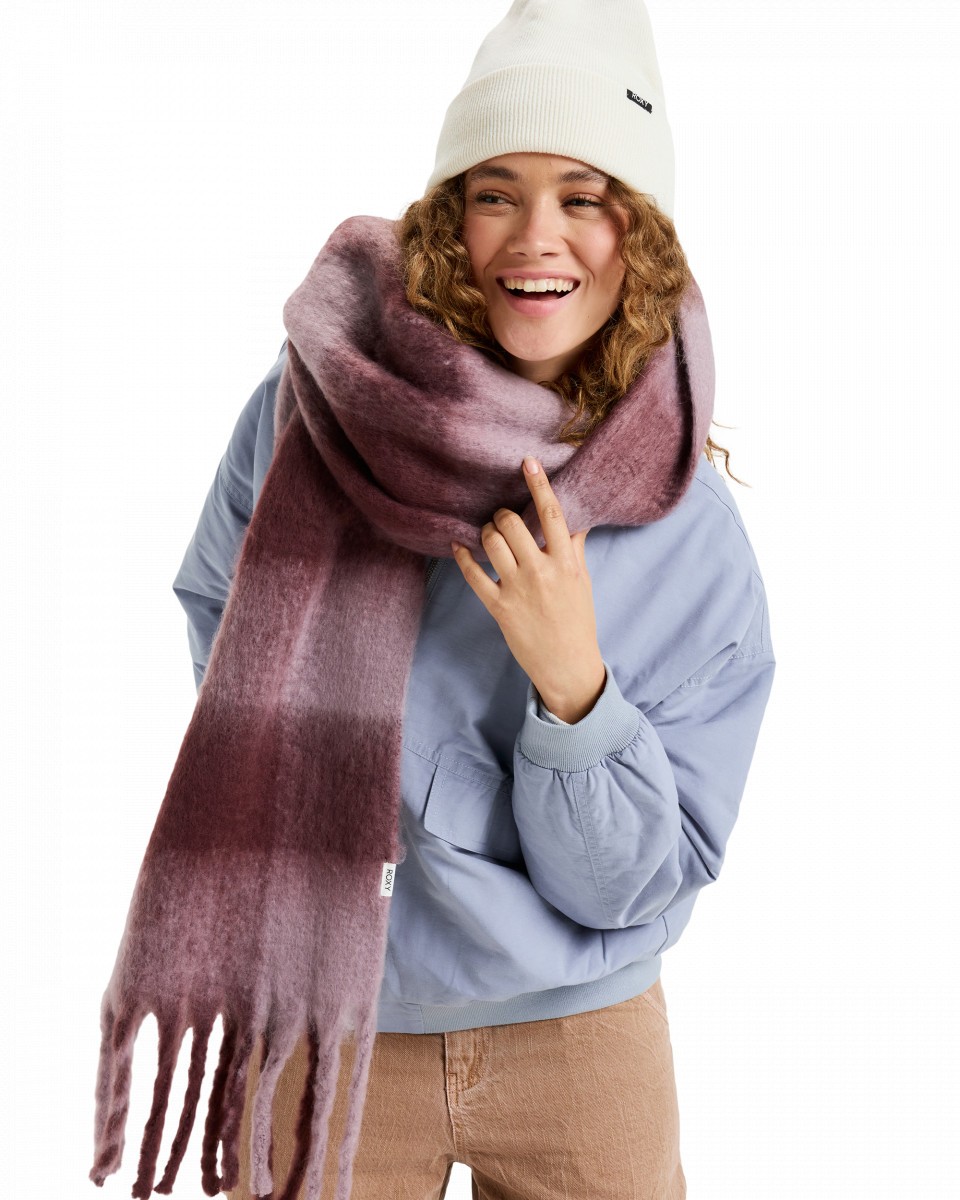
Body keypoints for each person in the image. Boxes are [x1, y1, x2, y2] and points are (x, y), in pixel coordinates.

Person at [161, 3, 776, 1199]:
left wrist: (573, 687)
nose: (536, 237)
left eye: (585, 195)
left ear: (642, 234)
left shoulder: (686, 525)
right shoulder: (315, 416)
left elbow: (629, 887)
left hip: (580, 1042)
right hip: (326, 1012)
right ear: (451, 221)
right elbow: (221, 634)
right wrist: (352, 805)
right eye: (497, 192)